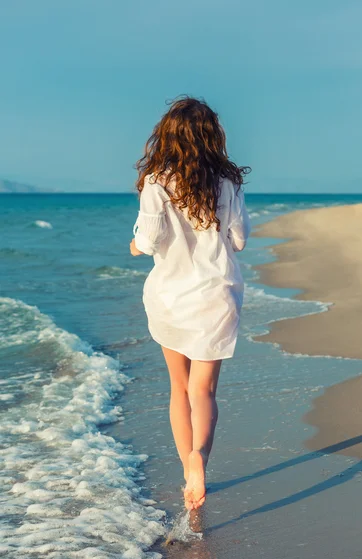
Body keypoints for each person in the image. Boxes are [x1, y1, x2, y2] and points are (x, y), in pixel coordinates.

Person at [129, 95, 251, 511]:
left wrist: (133, 244)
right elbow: (238, 239)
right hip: (216, 296)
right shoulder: (228, 182)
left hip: (170, 297)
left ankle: (188, 470)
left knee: (178, 388)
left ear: (166, 136)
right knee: (205, 391)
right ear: (212, 137)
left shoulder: (156, 182)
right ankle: (200, 456)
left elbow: (147, 242)